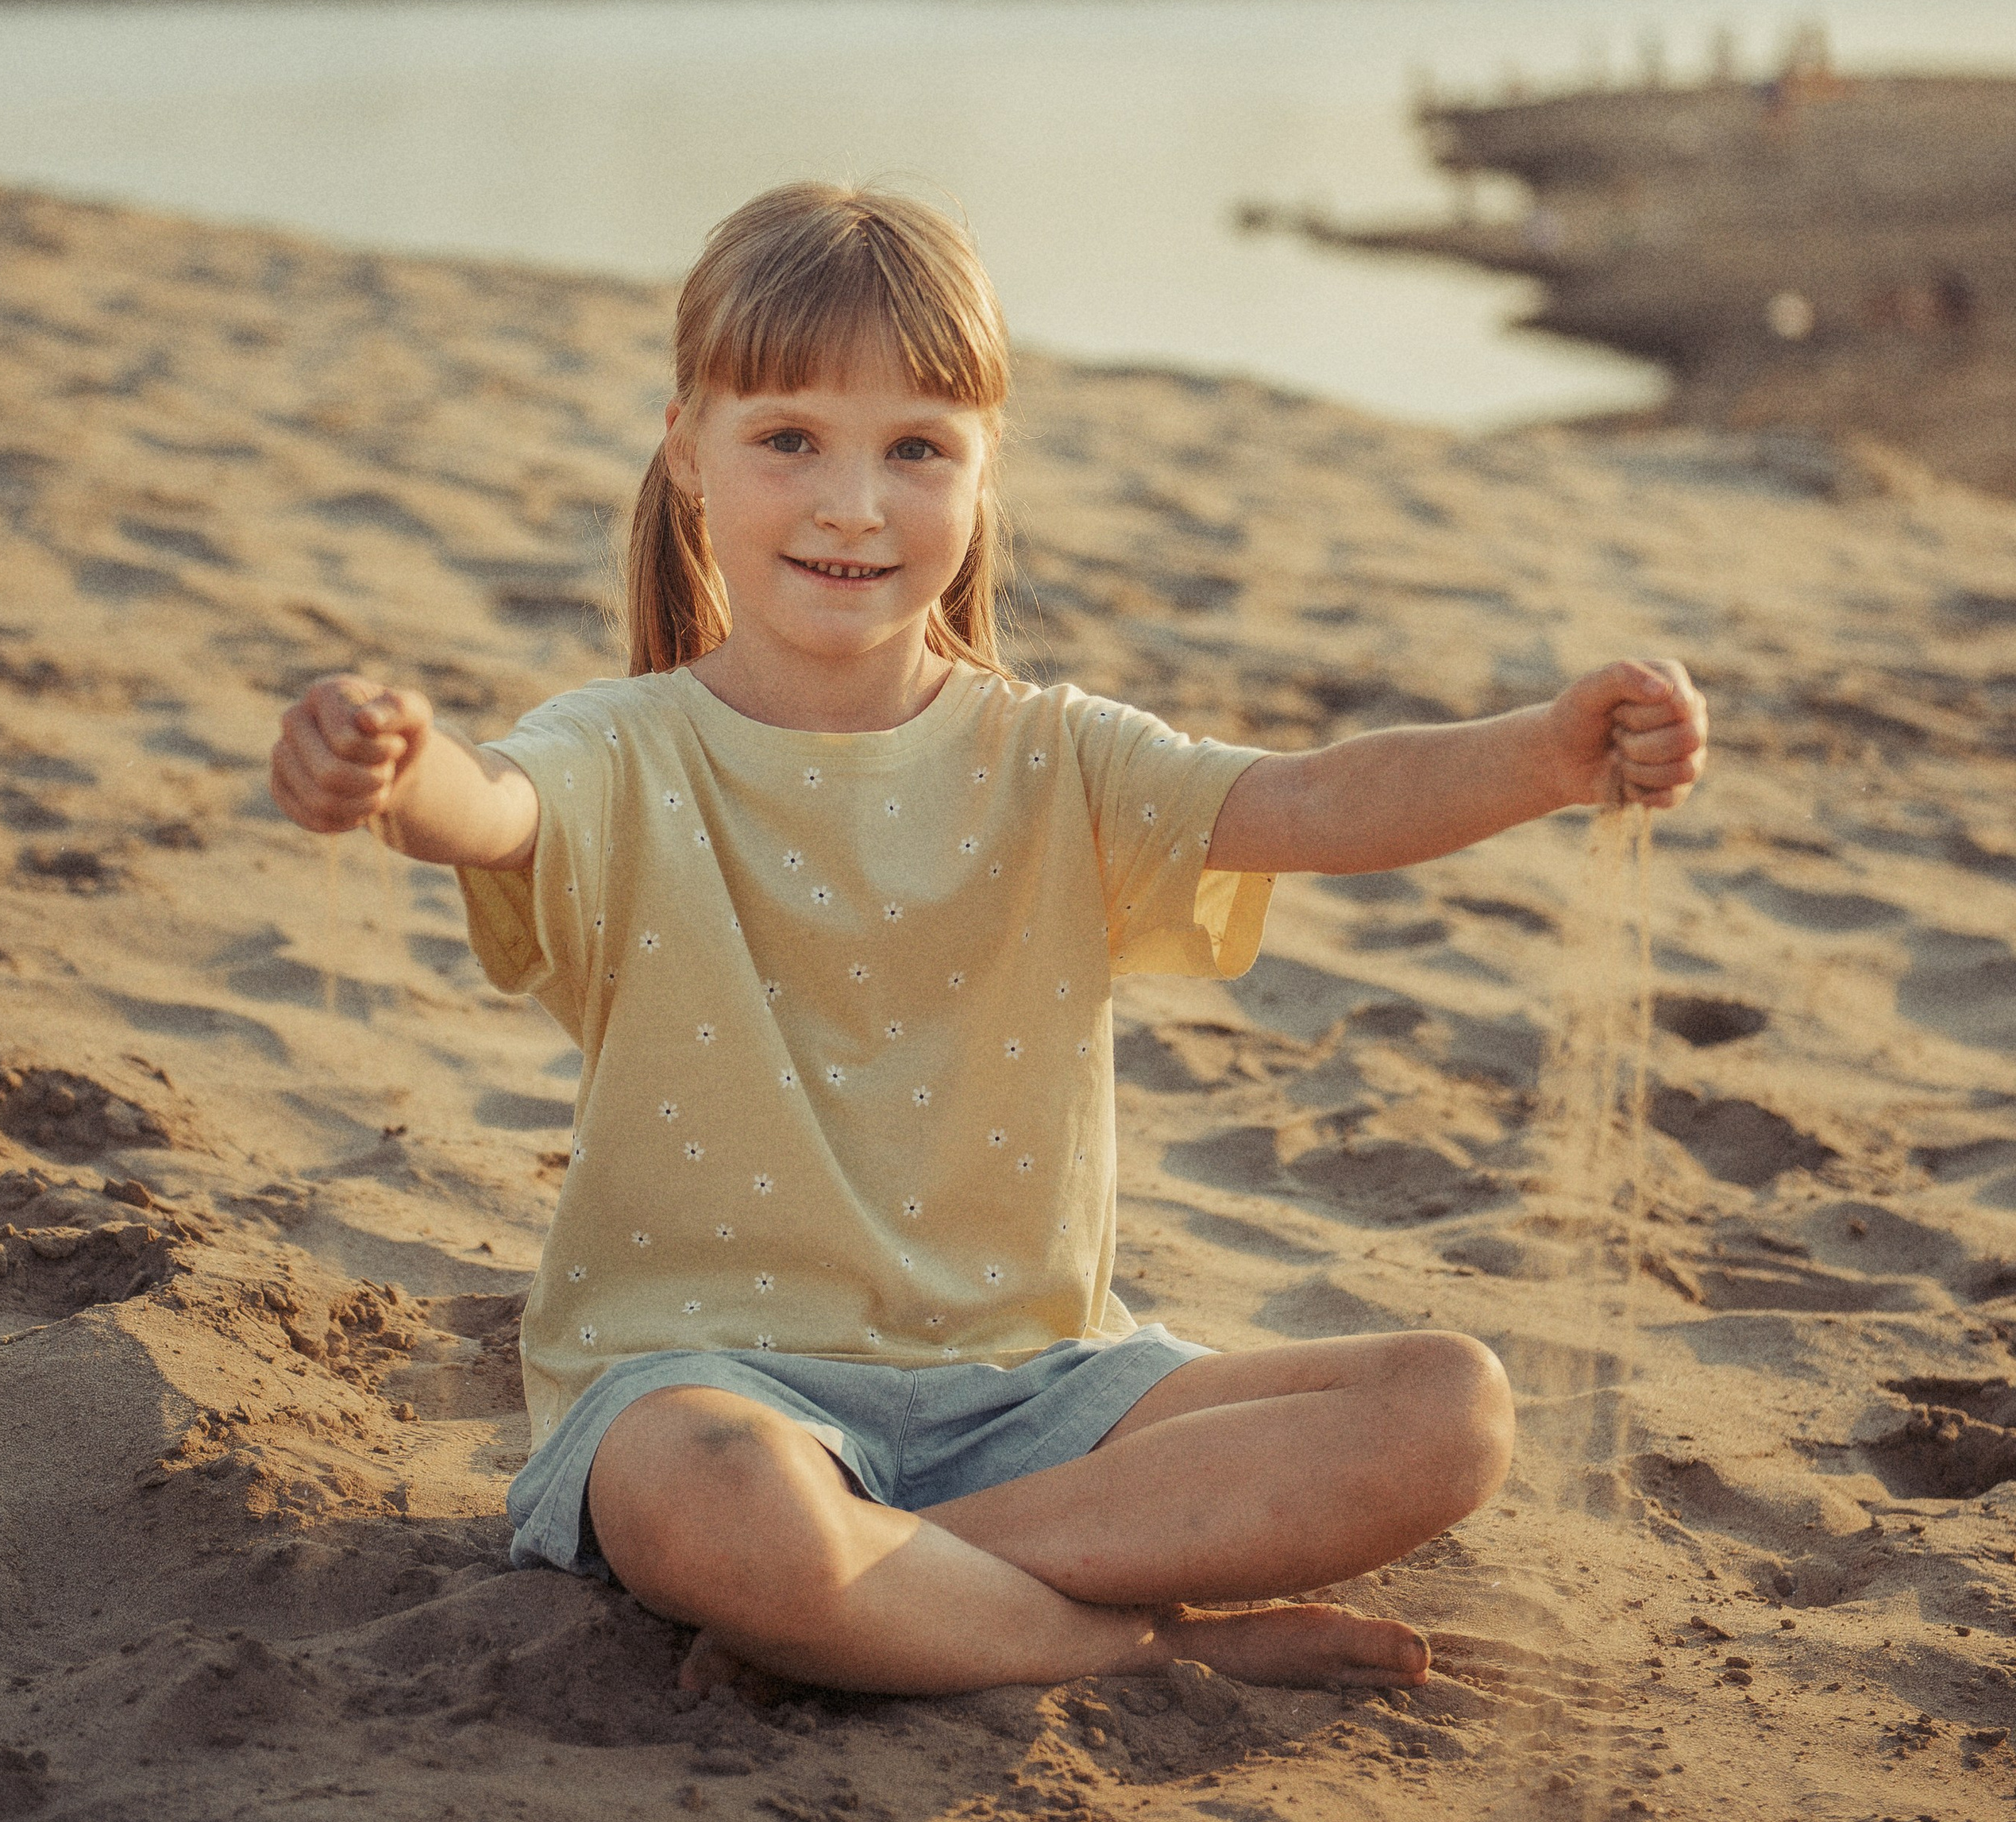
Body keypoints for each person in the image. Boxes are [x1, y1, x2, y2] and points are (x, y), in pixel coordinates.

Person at [270, 183, 1706, 1701]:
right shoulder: (622, 751)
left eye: (916, 451)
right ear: (687, 449)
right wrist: (389, 769)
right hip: (714, 1389)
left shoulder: (1058, 758)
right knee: (720, 1508)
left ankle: (887, 1586)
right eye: (789, 441)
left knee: (1449, 1408)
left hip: (1042, 1391)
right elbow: (489, 808)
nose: (853, 505)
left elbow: (1308, 799)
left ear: (981, 472)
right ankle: (1135, 1651)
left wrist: (1547, 756)